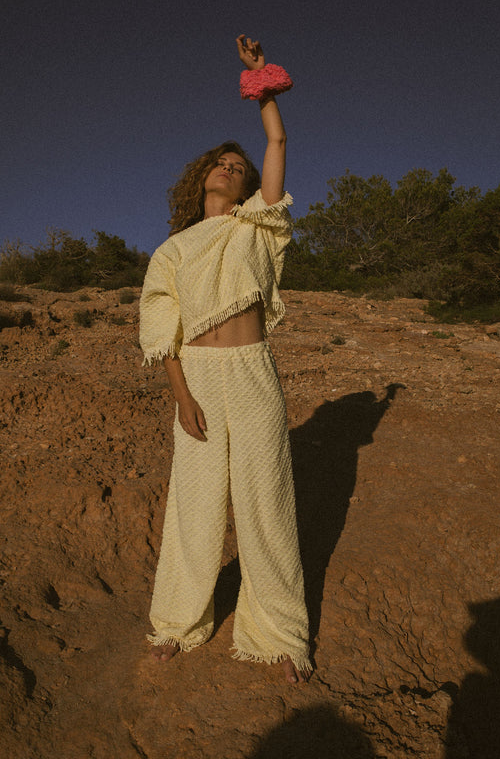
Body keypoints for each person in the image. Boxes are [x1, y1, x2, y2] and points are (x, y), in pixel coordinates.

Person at [139, 35, 311, 683]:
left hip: (253, 372)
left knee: (267, 502)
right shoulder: (173, 251)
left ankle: (279, 635)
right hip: (201, 379)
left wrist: (258, 82)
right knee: (195, 505)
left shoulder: (256, 226)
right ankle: (178, 624)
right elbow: (165, 331)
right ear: (202, 174)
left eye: (239, 167)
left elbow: (278, 146)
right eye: (221, 163)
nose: (231, 169)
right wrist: (182, 397)